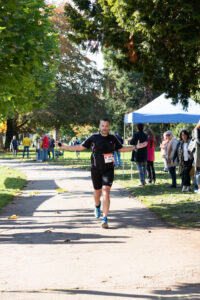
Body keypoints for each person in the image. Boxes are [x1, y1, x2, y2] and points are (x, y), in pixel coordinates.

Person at [57, 118, 147, 228]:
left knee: (106, 191)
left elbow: (121, 149)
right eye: (102, 125)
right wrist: (64, 146)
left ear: (109, 127)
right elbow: (80, 147)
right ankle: (97, 206)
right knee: (97, 192)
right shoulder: (94, 137)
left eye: (106, 126)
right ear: (100, 126)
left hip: (108, 169)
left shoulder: (112, 138)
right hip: (96, 169)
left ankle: (105, 218)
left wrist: (135, 147)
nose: (104, 128)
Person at [188, 121, 200, 194]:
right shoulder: (196, 130)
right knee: (198, 172)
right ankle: (198, 188)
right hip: (198, 154)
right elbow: (198, 141)